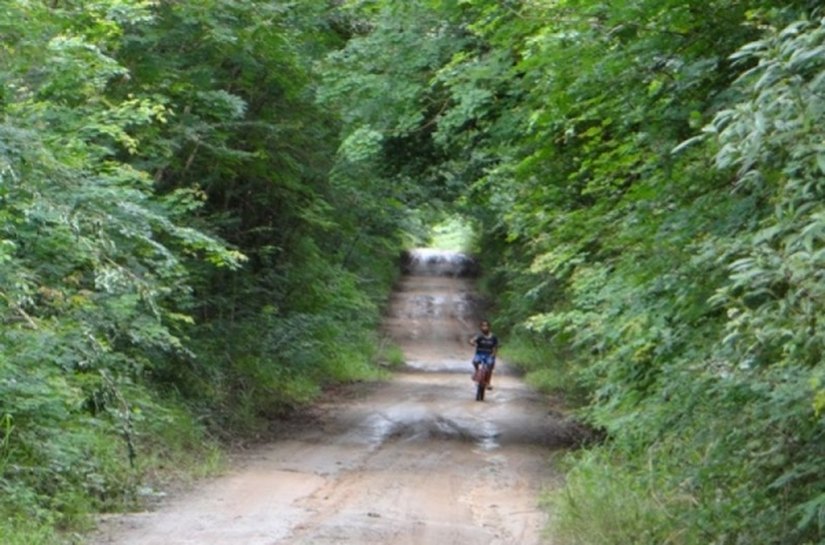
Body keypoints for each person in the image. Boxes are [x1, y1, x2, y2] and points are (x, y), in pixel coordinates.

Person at [470, 319, 498, 390]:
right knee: (475, 361)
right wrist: (472, 342)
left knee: (489, 367)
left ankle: (488, 382)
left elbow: (495, 347)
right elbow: (472, 340)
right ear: (480, 328)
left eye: (486, 326)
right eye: (482, 326)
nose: (484, 328)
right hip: (479, 354)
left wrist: (493, 354)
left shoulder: (493, 337)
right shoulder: (479, 336)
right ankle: (477, 372)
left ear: (489, 327)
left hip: (489, 354)